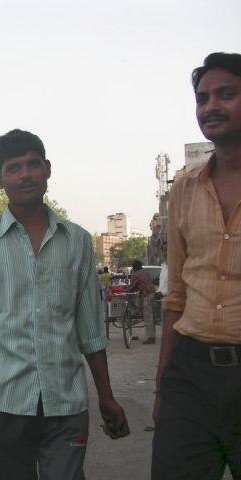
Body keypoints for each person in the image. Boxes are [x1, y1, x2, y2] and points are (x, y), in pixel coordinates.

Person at [0, 129, 129, 480]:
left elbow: (90, 330)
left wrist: (106, 397)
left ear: (47, 169)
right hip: (1, 403)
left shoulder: (76, 240)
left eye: (33, 164)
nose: (26, 174)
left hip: (65, 404)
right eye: (14, 167)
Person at [151, 52, 241, 480]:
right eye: (203, 98)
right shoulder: (185, 188)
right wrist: (164, 383)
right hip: (191, 372)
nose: (211, 107)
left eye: (227, 95)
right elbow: (177, 295)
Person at [124, 260, 157, 344]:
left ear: (134, 268)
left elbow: (132, 287)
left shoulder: (136, 275)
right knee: (148, 314)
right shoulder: (145, 272)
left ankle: (150, 337)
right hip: (152, 292)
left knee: (148, 317)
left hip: (147, 294)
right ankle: (140, 309)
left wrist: (125, 291)